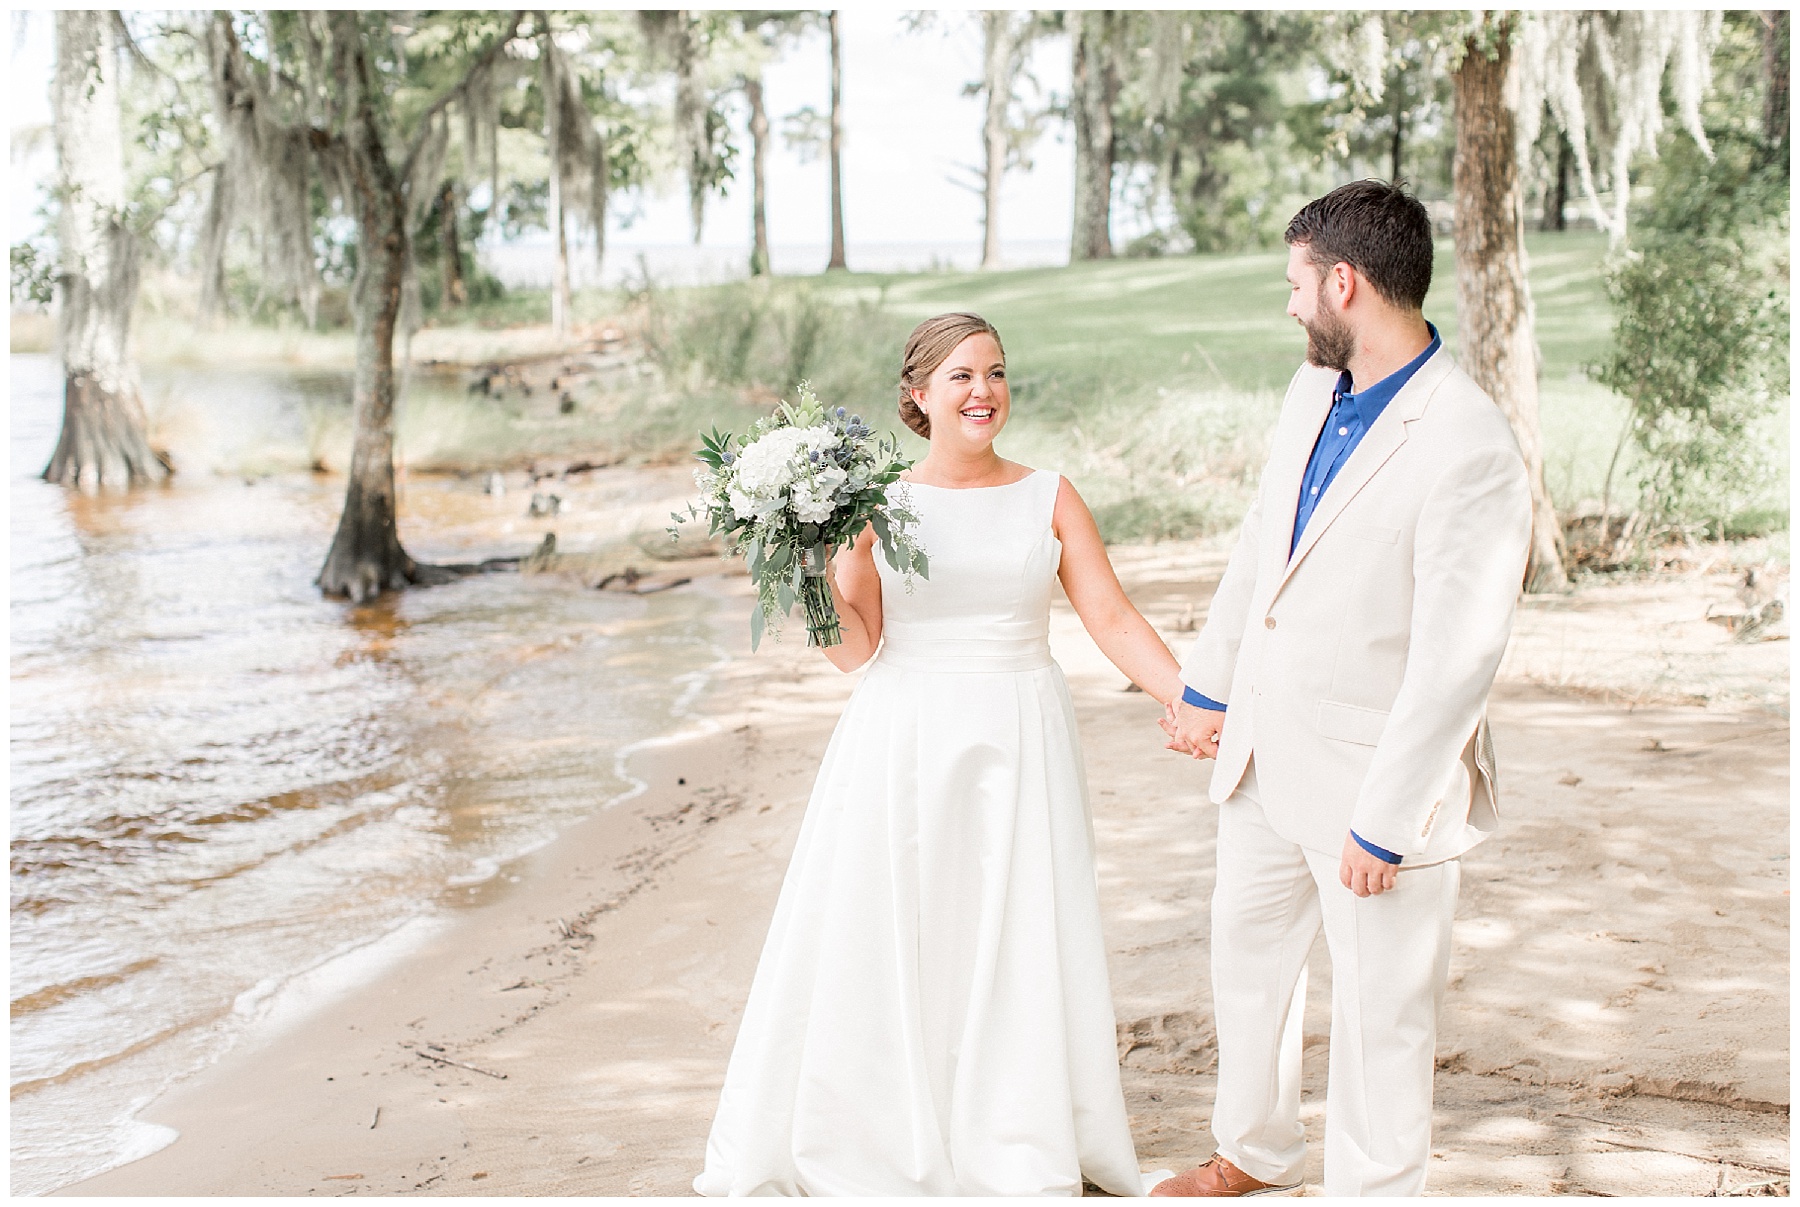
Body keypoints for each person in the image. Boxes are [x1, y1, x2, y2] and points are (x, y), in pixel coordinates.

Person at [694, 312, 1186, 1197]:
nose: (984, 391)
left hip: (1021, 732)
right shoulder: (877, 504)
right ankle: (892, 1125)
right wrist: (809, 565)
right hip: (905, 735)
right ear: (918, 394)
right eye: (961, 376)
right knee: (904, 928)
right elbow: (852, 648)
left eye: (996, 372)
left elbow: (1109, 617)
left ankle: (1011, 1123)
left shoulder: (1052, 496)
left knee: (1017, 923)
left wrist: (1187, 698)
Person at [1153, 181, 1532, 1197]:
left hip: (1375, 782)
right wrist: (1209, 687)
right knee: (1250, 973)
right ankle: (1254, 1151)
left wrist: (1388, 821)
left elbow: (1460, 656)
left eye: (1295, 284)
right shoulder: (1307, 392)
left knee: (1383, 1011)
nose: (1289, 306)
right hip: (1264, 759)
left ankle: (1373, 1189)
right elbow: (1259, 557)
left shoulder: (1470, 443)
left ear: (1344, 282)